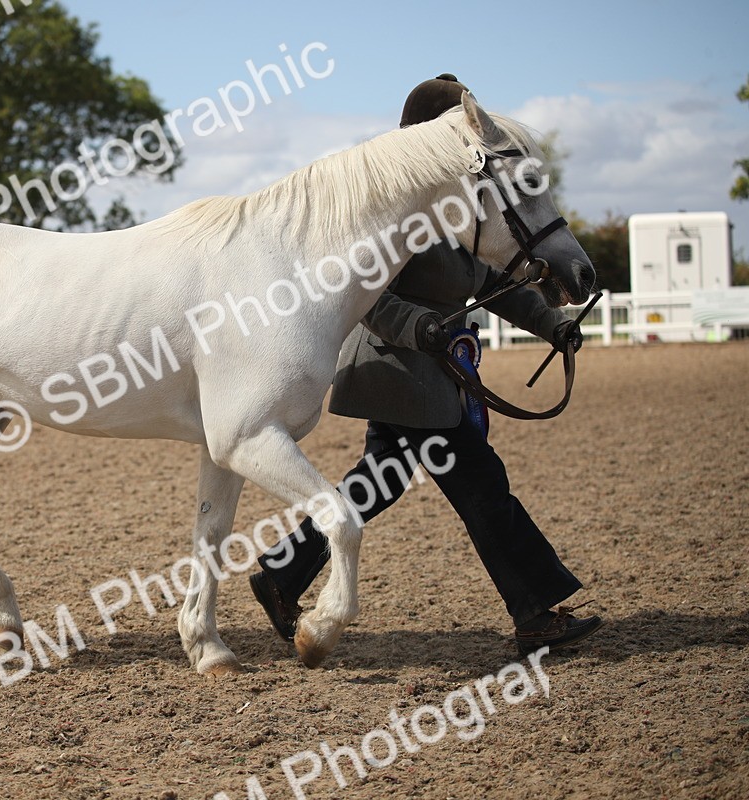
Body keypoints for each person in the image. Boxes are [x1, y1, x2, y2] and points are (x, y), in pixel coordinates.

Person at [249, 74, 602, 656]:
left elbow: (490, 283)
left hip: (428, 373)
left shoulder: (457, 209)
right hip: (398, 368)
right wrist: (420, 327)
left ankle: (280, 573)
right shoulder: (394, 209)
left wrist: (552, 324)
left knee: (375, 484)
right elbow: (366, 295)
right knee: (483, 487)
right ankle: (535, 614)